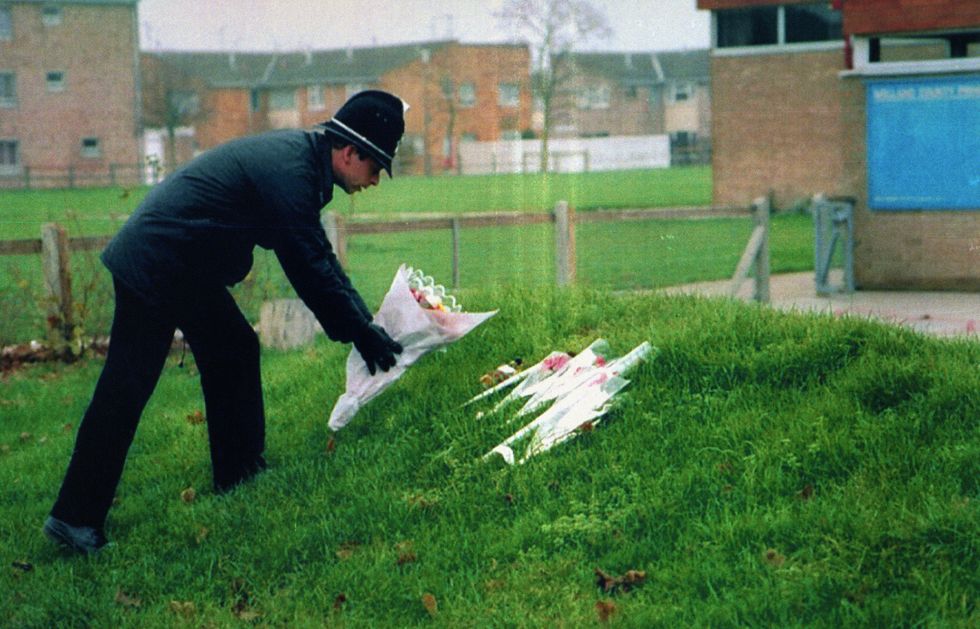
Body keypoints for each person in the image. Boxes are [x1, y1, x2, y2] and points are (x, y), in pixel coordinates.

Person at [43, 90, 407, 554]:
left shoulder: (301, 163)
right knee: (126, 386)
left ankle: (239, 474)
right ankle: (73, 519)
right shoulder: (293, 172)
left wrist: (361, 325)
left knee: (234, 349)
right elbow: (310, 265)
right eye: (375, 167)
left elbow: (318, 259)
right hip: (157, 261)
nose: (375, 181)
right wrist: (360, 331)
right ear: (349, 151)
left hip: (181, 265)